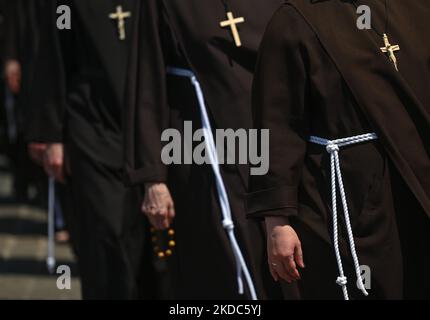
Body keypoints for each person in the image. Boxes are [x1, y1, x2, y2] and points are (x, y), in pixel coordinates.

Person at [247, 0, 430, 300]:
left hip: (417, 184)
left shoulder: (417, 10)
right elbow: (275, 125)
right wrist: (276, 220)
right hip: (346, 201)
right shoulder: (296, 19)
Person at [124, 0, 290, 299]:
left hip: (274, 138)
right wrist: (153, 178)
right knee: (217, 265)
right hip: (199, 144)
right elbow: (145, 78)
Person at [27, 0, 153, 299]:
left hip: (147, 126)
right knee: (106, 232)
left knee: (150, 241)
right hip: (91, 123)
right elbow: (53, 55)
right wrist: (52, 134)